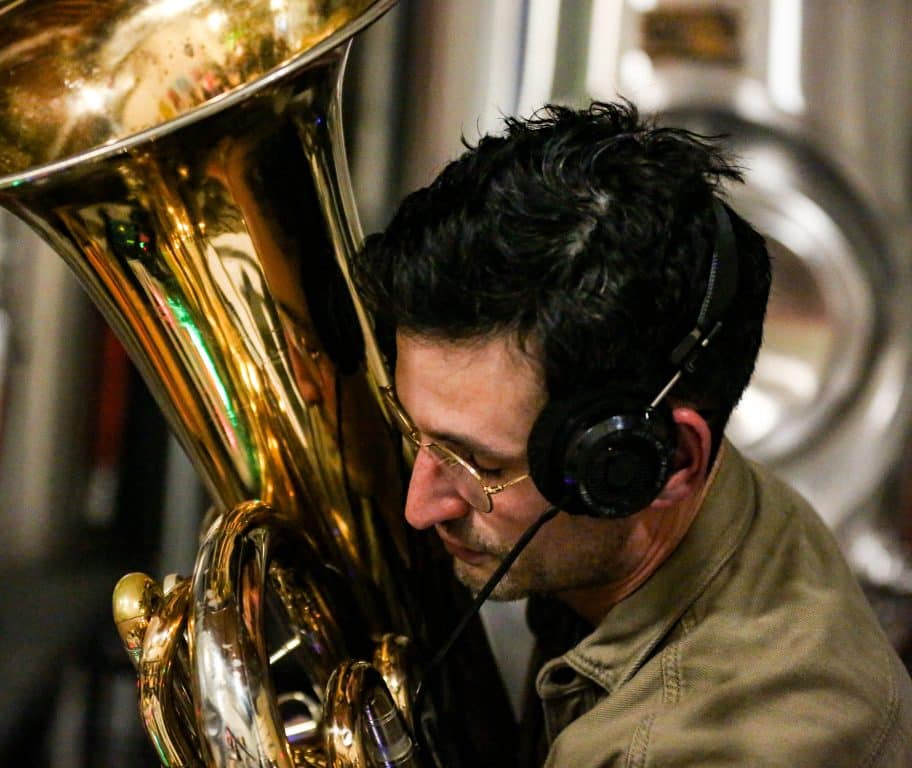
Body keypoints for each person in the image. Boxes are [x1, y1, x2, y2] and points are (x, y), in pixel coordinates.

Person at [352, 100, 912, 767]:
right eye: (419, 434)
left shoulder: (709, 746)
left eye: (477, 463)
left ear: (658, 462)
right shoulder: (665, 530)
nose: (420, 507)